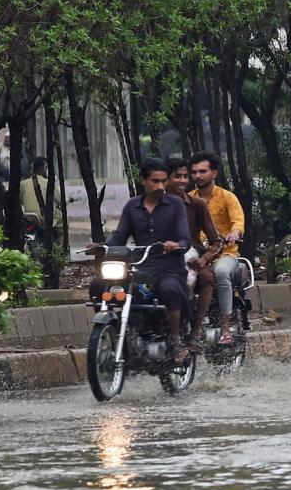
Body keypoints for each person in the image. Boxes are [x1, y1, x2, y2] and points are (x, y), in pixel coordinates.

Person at [96, 157, 193, 362]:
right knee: (98, 285)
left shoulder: (175, 204)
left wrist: (177, 246)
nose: (160, 186)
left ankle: (176, 340)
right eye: (154, 181)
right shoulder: (132, 206)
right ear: (143, 180)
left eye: (163, 181)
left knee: (170, 290)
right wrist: (102, 246)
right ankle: (115, 332)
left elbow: (185, 238)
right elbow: (119, 238)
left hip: (170, 267)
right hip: (140, 267)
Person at [189, 151, 246, 345]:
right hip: (197, 254)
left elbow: (238, 222)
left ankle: (225, 325)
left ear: (214, 173)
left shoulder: (227, 197)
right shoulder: (187, 199)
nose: (198, 176)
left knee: (221, 272)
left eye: (203, 171)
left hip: (225, 254)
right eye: (194, 172)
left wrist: (234, 234)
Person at [166, 156, 222, 344]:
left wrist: (203, 260)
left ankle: (196, 331)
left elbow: (216, 242)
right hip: (159, 260)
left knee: (206, 278)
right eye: (177, 176)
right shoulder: (154, 203)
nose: (182, 180)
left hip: (191, 258)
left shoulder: (197, 205)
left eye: (185, 176)